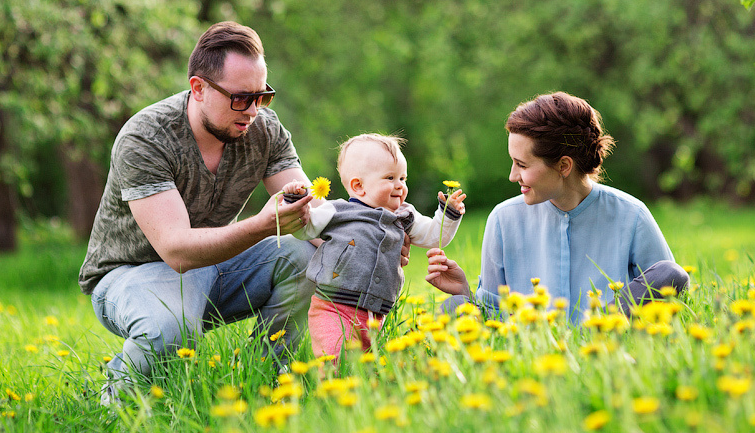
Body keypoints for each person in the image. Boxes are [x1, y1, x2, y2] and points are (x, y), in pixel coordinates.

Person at [79, 21, 326, 403]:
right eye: (241, 98)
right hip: (130, 275)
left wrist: (378, 234)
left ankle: (271, 385)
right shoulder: (147, 137)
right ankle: (116, 400)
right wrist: (263, 225)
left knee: (307, 256)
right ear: (199, 88)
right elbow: (175, 251)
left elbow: (313, 215)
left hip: (214, 265)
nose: (254, 112)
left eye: (263, 97)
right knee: (171, 326)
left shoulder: (262, 130)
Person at [425, 92, 688, 322]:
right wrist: (464, 292)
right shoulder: (503, 219)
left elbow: (668, 293)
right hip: (530, 355)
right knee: (453, 307)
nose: (512, 176)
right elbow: (493, 316)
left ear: (564, 166)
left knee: (671, 272)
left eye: (522, 165)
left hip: (608, 345)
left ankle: (597, 332)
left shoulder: (632, 216)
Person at [285, 134, 466, 358]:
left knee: (365, 366)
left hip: (374, 314)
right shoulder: (337, 211)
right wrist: (294, 202)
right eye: (390, 178)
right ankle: (331, 390)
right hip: (333, 306)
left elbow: (433, 236)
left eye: (403, 178)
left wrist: (448, 214)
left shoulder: (404, 215)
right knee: (335, 358)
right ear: (358, 186)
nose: (400, 186)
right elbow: (305, 229)